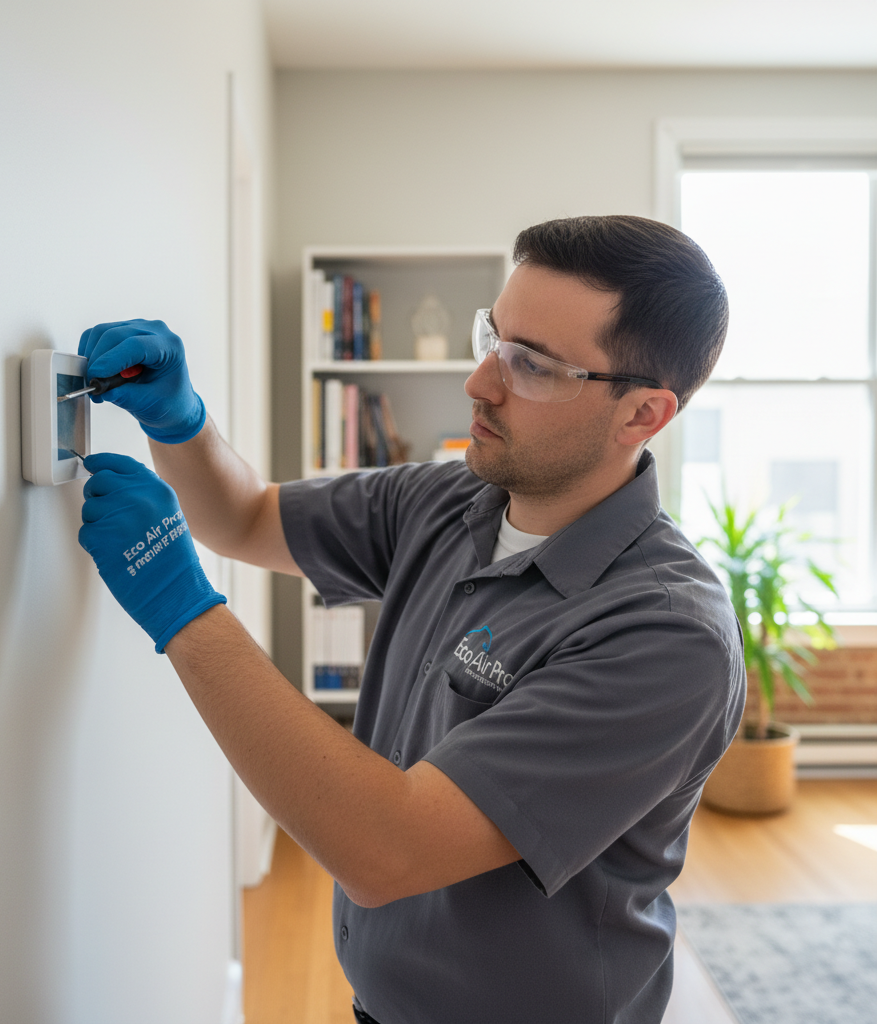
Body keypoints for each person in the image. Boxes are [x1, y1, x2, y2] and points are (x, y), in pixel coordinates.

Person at [75, 215, 746, 1024]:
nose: (481, 383)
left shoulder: (666, 635)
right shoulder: (453, 499)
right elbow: (243, 518)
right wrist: (181, 422)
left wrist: (183, 611)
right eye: (494, 339)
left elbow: (385, 850)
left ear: (643, 415)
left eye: (531, 365)